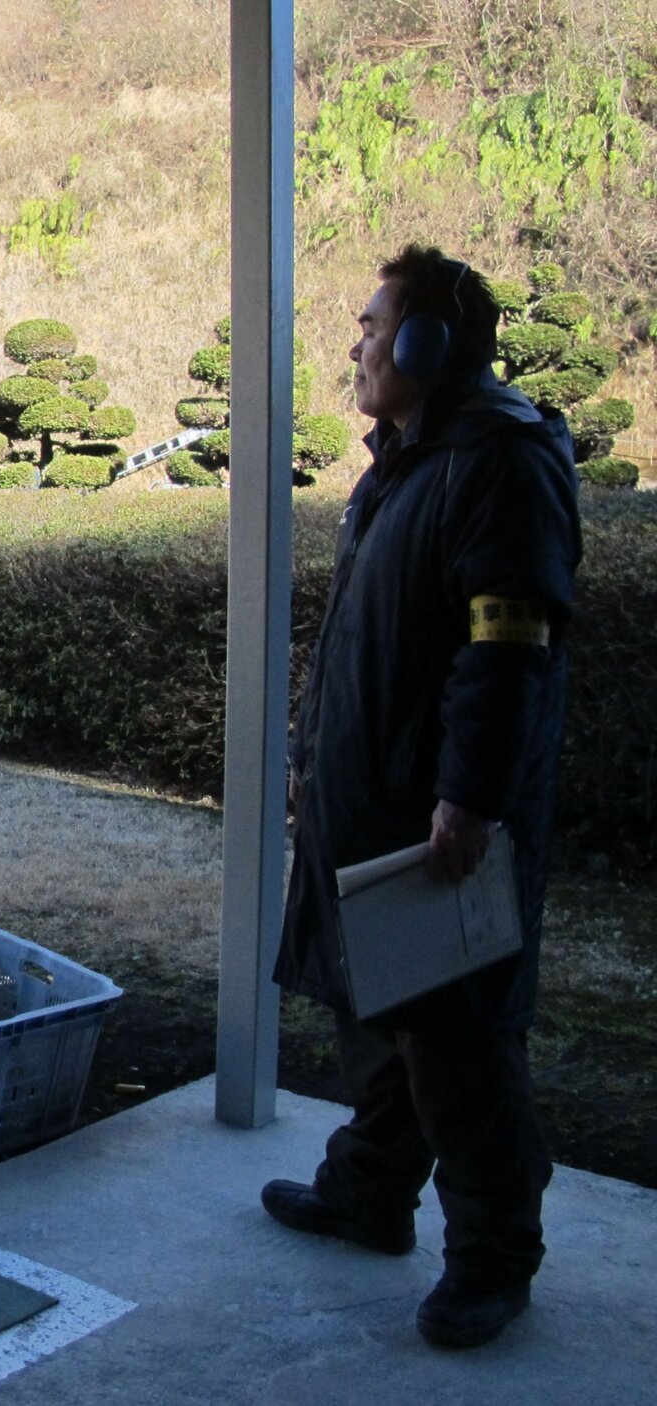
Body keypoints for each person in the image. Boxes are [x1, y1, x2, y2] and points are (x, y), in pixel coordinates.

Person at [264, 245, 582, 1349]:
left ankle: (493, 1256)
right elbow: (370, 633)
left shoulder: (500, 458)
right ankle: (370, 1187)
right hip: (373, 794)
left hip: (437, 810)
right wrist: (313, 754)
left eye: (371, 325)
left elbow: (508, 644)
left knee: (459, 1041)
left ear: (425, 342)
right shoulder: (408, 457)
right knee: (377, 1010)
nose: (356, 345)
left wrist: (471, 797)